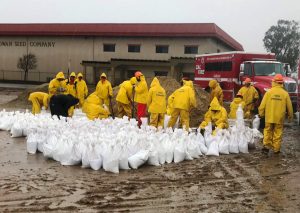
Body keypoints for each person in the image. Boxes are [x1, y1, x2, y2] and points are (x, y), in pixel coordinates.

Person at [258, 74, 293, 154]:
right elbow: (290, 107)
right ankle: (276, 150)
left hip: (269, 117)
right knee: (278, 132)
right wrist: (290, 116)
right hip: (279, 118)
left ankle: (266, 147)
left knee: (267, 131)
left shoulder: (269, 92)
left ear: (274, 82)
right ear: (282, 83)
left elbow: (262, 106)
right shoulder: (285, 93)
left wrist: (261, 114)